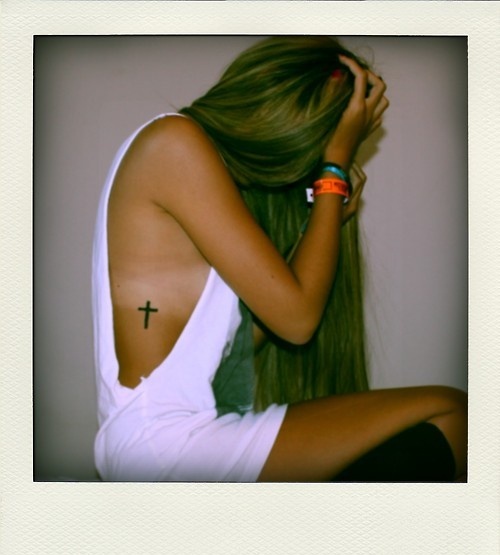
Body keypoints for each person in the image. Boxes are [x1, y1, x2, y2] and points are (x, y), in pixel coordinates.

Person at [92, 36, 467, 482]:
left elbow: (238, 343)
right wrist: (333, 172)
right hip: (162, 444)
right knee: (451, 411)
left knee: (441, 423)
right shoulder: (174, 141)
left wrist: (321, 219)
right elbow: (297, 320)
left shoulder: (195, 169)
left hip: (165, 441)